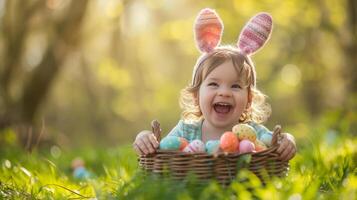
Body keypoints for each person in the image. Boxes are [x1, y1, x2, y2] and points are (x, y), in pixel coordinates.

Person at [133, 8, 296, 161]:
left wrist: (288, 140)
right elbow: (162, 148)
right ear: (197, 95)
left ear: (249, 98)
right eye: (213, 84)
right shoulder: (186, 131)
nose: (224, 92)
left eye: (235, 86)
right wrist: (144, 137)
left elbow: (276, 142)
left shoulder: (253, 134)